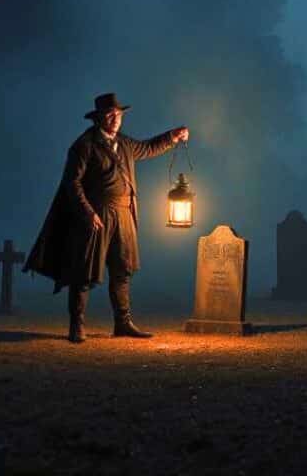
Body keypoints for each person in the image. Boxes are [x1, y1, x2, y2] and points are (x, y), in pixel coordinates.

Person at [23, 92, 190, 342]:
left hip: (124, 213)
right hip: (97, 215)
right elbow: (72, 183)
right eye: (110, 114)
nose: (115, 118)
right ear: (99, 118)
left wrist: (172, 136)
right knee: (85, 271)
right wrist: (87, 211)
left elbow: (148, 147)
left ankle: (122, 323)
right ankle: (76, 326)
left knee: (122, 269)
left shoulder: (124, 143)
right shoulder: (84, 145)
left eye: (118, 114)